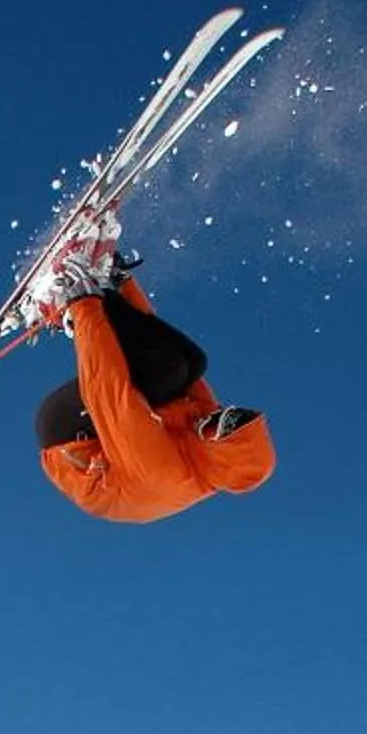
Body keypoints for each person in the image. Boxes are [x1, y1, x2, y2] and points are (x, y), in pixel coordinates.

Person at [29, 215, 275, 524]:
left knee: (164, 372)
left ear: (218, 454)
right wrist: (124, 286)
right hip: (118, 420)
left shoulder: (164, 474)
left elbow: (110, 398)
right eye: (229, 414)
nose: (214, 416)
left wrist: (82, 303)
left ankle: (68, 295)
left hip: (69, 440)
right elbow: (159, 349)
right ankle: (104, 284)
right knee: (191, 364)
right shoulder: (203, 423)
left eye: (221, 427)